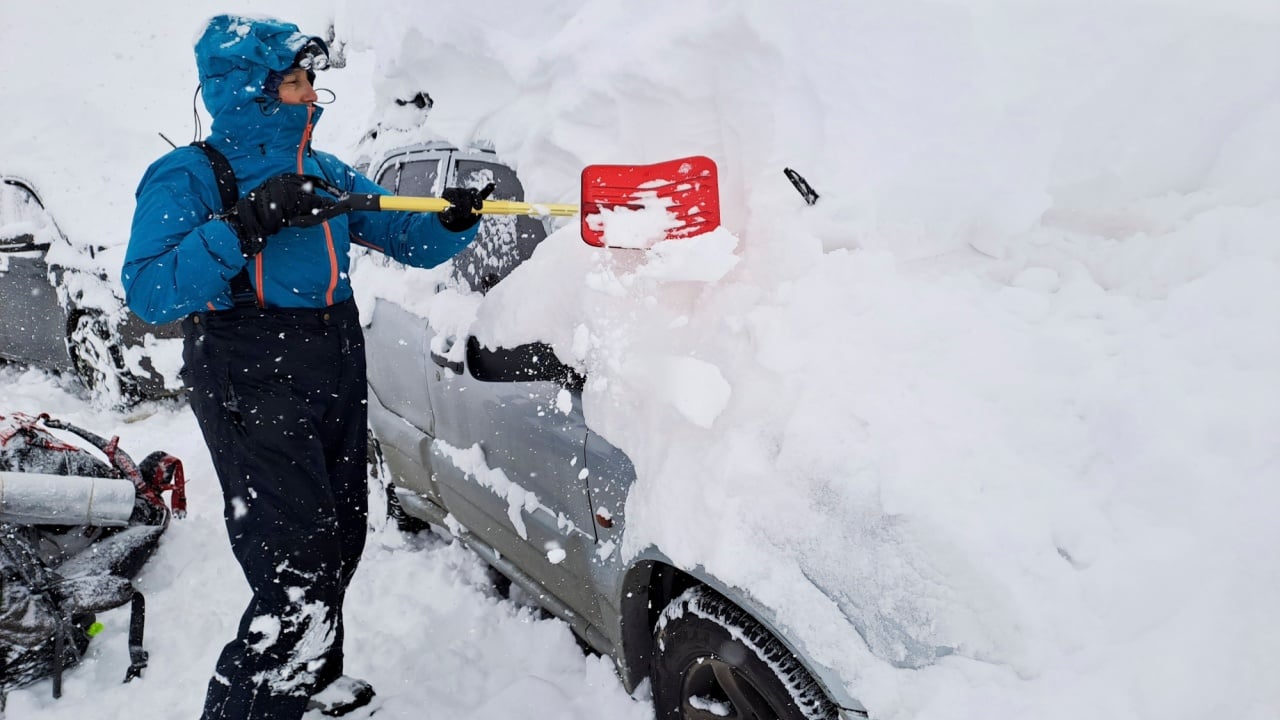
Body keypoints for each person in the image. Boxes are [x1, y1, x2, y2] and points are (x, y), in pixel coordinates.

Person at [121, 14, 488, 720]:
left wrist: (449, 221)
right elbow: (150, 289)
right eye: (293, 80)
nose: (310, 93)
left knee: (339, 534)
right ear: (247, 91)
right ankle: (253, 708)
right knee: (296, 561)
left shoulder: (319, 170)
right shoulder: (191, 175)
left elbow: (397, 232)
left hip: (332, 355)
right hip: (248, 366)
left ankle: (309, 682)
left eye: (310, 79)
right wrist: (243, 224)